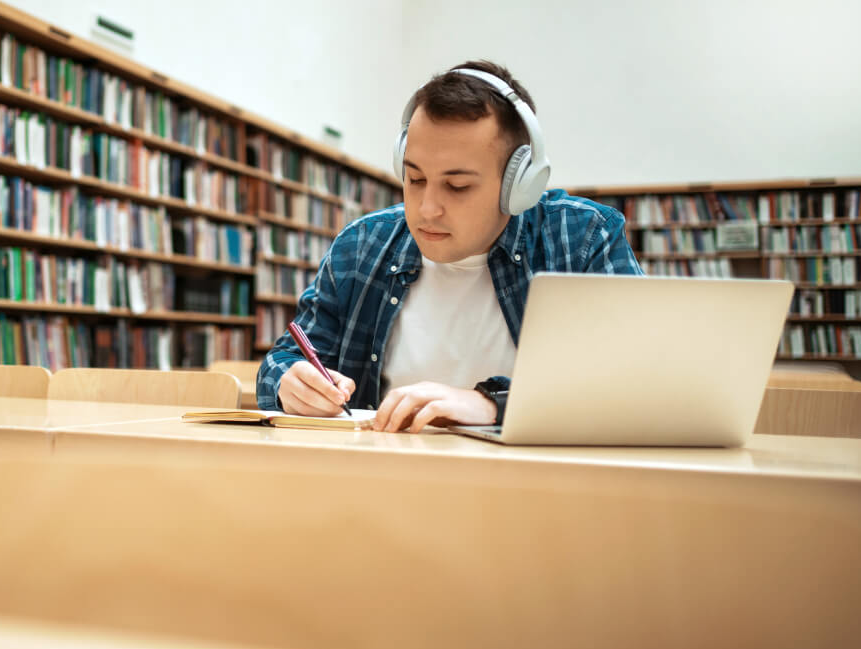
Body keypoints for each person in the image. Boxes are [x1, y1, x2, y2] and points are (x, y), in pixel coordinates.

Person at [256, 60, 643, 432]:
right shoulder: (361, 246)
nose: (427, 209)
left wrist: (494, 404)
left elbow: (636, 378)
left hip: (537, 488)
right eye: (415, 178)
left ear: (519, 186)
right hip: (380, 485)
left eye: (457, 186)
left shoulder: (583, 238)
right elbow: (282, 362)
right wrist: (289, 383)